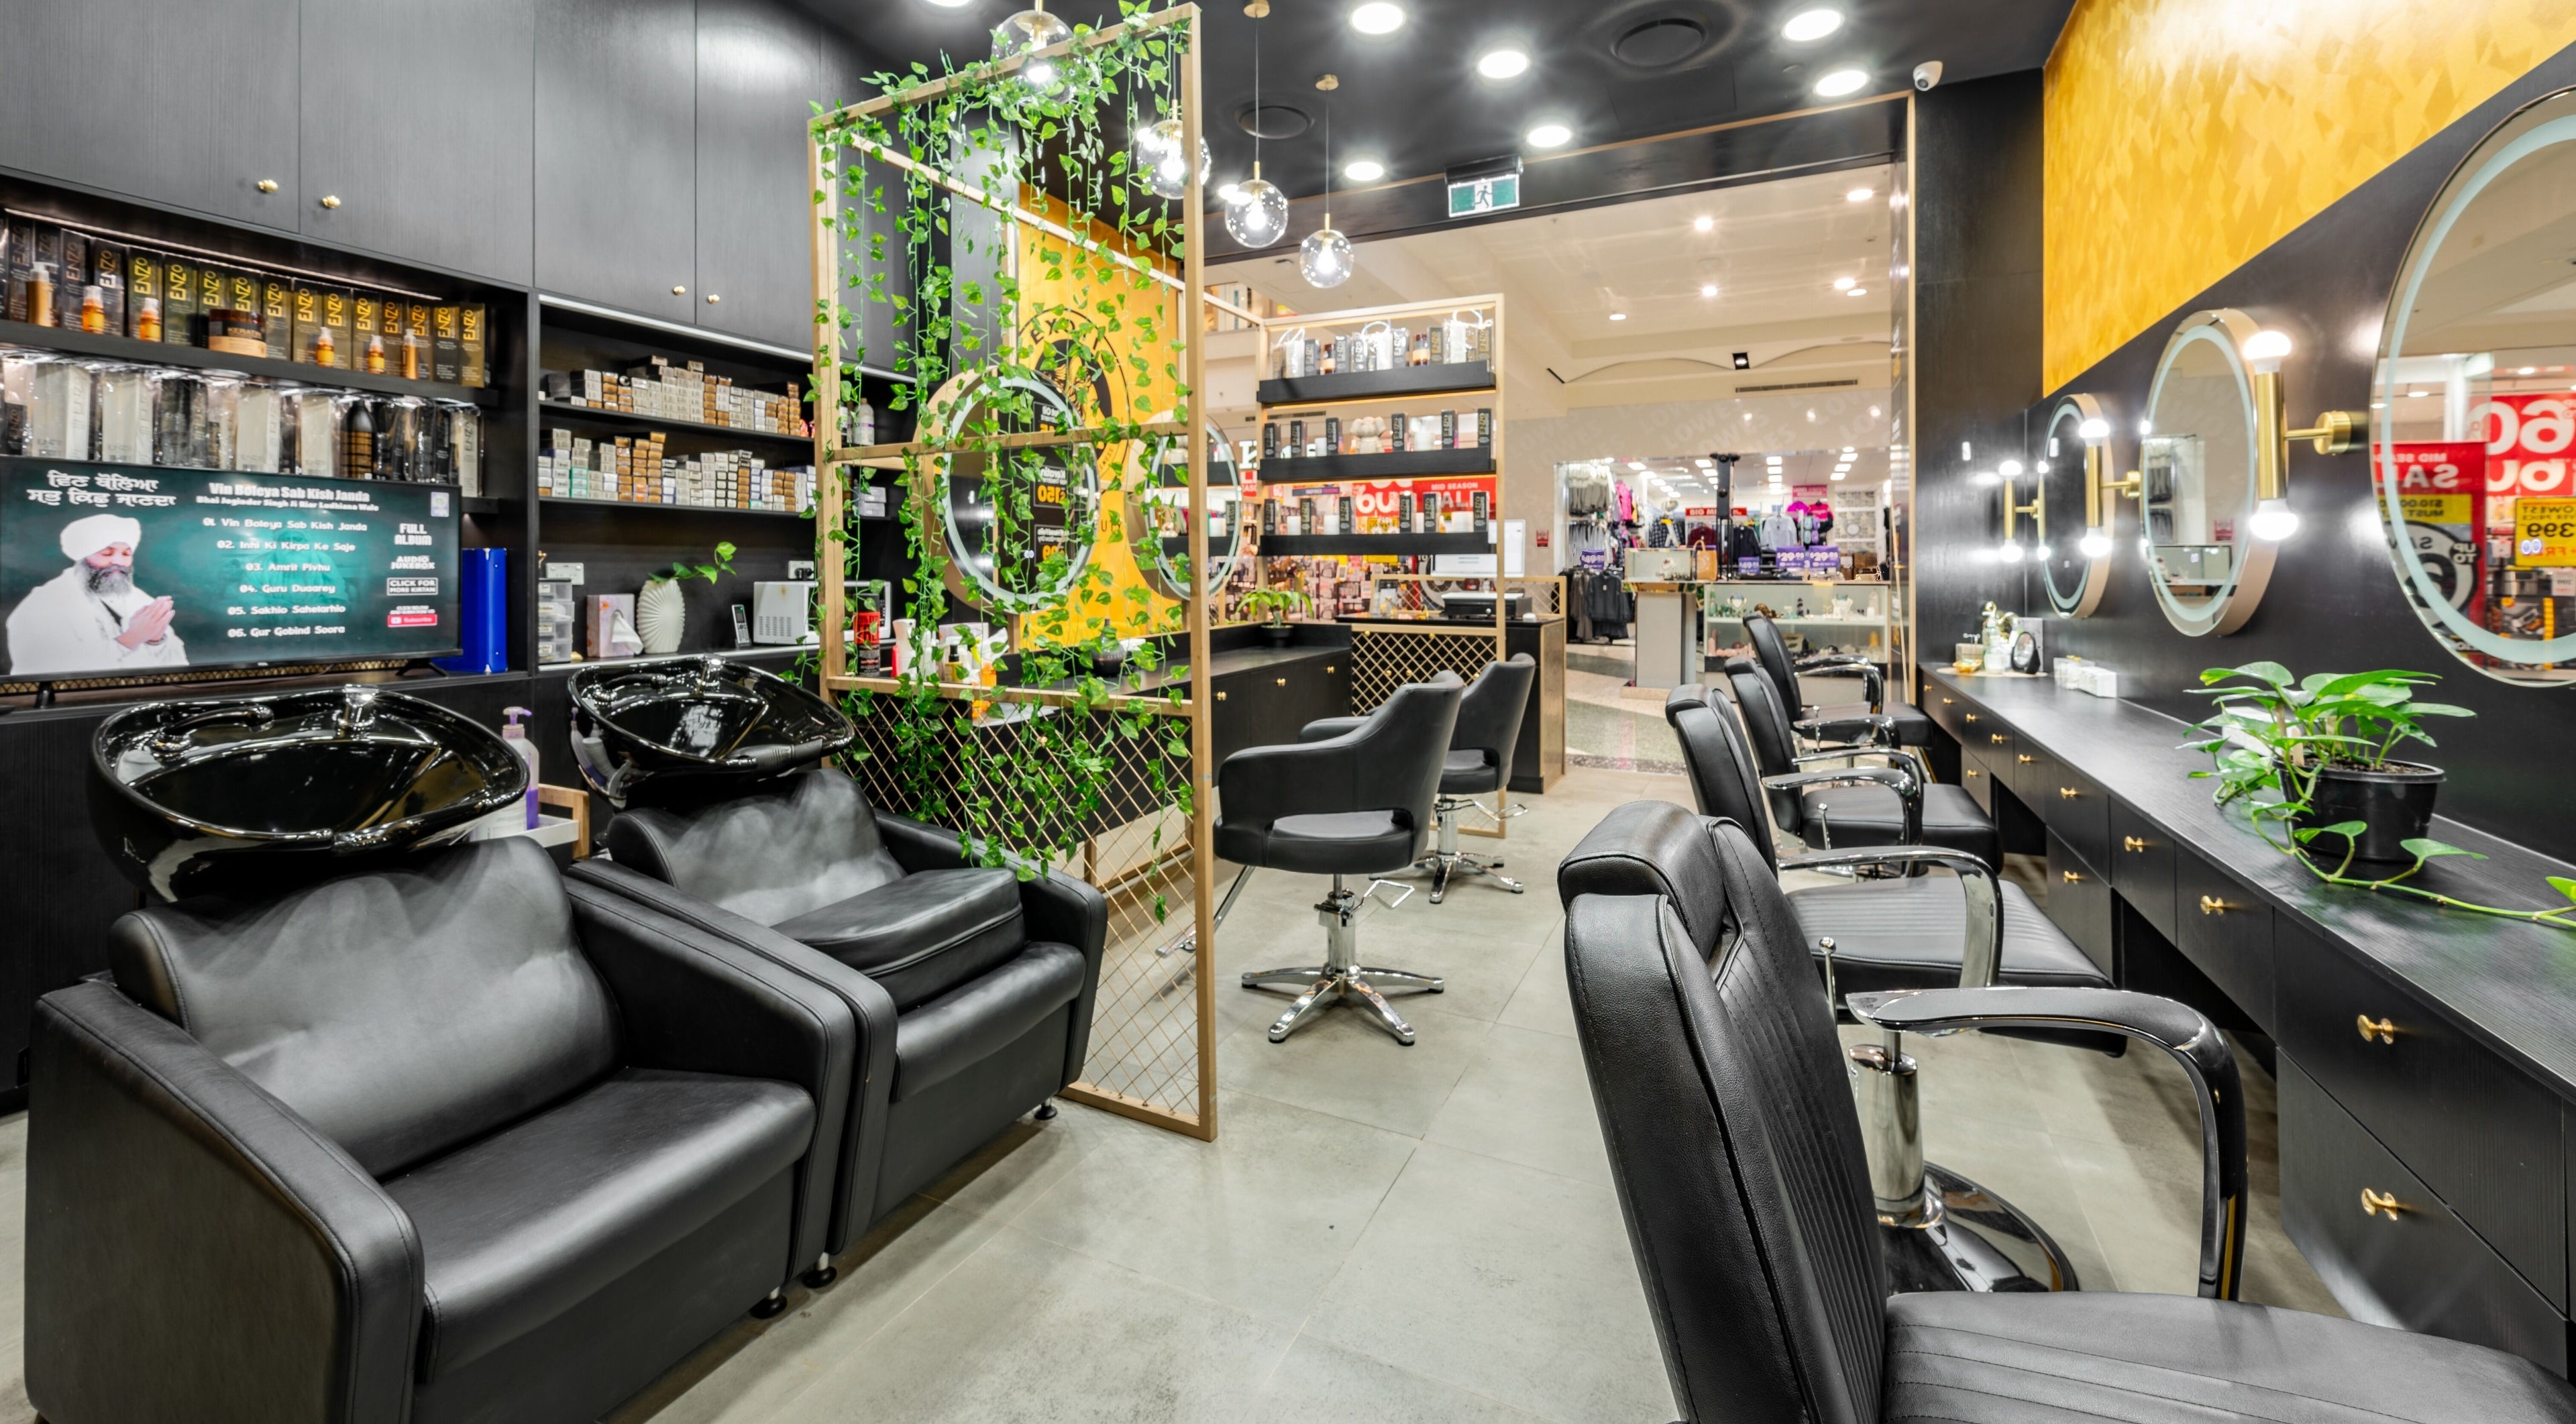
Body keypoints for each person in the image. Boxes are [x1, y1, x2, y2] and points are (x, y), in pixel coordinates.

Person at [7, 512, 188, 675]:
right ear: (83, 558)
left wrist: (156, 640)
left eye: (126, 554)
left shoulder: (138, 599)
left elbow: (180, 667)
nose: (118, 561)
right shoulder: (45, 604)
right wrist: (131, 638)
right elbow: (48, 670)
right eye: (106, 554)